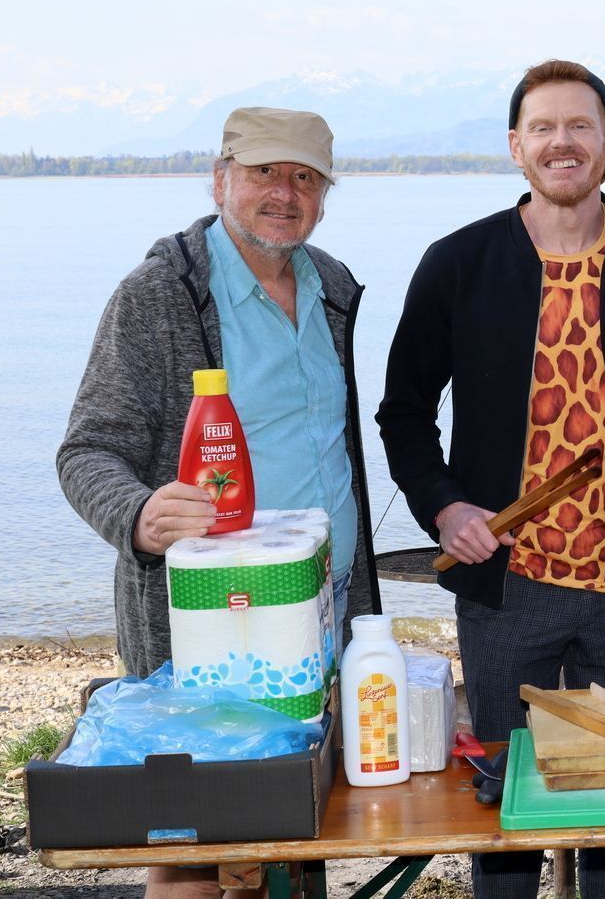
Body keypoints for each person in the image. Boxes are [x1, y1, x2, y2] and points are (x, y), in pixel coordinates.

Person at [376, 59, 605, 899]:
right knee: (506, 812)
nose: (562, 141)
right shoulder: (458, 262)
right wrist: (444, 506)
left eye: (580, 125)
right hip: (507, 588)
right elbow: (403, 412)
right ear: (516, 147)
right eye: (542, 127)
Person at [57, 106, 382, 897]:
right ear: (220, 178)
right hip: (208, 618)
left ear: (324, 195)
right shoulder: (156, 296)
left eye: (304, 177)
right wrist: (138, 514)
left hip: (323, 602)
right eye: (264, 171)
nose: (284, 193)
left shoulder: (332, 285)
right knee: (194, 842)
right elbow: (87, 449)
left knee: (295, 825)